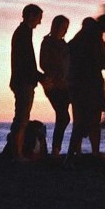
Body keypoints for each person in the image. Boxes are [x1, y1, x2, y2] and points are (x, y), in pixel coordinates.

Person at [67, 4, 105, 156]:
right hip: (87, 84)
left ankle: (83, 154)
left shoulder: (91, 35)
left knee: (88, 121)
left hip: (85, 83)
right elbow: (102, 62)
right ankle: (72, 156)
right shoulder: (92, 35)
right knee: (85, 121)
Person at [8, 4, 45, 161]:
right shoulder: (23, 33)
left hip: (22, 80)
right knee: (22, 118)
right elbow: (27, 62)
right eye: (38, 18)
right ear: (31, 16)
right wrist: (40, 77)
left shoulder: (23, 32)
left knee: (21, 117)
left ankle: (15, 150)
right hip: (24, 81)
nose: (39, 23)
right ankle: (17, 153)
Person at [40, 15, 71, 156]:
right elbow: (43, 63)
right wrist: (55, 74)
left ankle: (57, 150)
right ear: (56, 26)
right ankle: (56, 150)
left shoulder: (65, 45)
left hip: (65, 84)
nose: (64, 31)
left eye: (66, 28)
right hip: (53, 84)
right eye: (63, 27)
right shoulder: (47, 42)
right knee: (63, 116)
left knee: (63, 116)